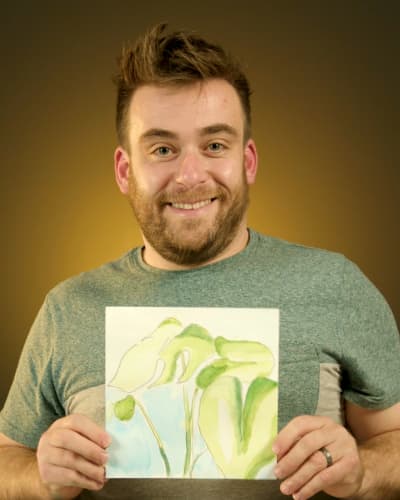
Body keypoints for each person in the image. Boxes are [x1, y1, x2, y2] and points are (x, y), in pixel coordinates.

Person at [0, 23, 399, 500]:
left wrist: (363, 470)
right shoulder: (68, 308)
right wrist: (38, 475)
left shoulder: (335, 284)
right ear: (125, 170)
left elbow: (392, 441)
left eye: (214, 145)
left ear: (247, 161)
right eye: (162, 149)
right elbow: (6, 457)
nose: (190, 175)